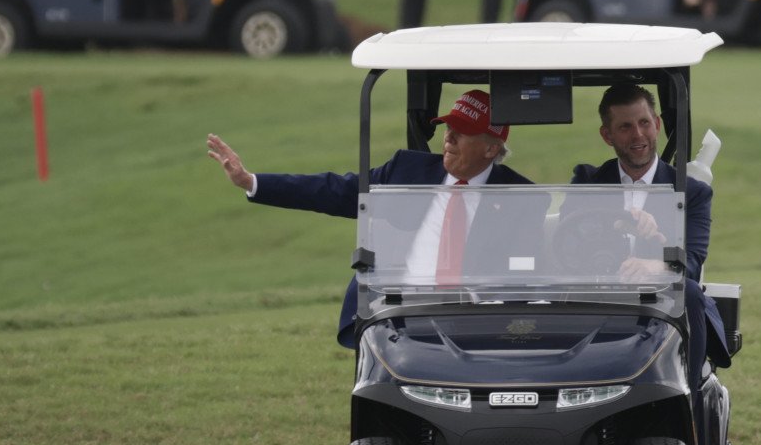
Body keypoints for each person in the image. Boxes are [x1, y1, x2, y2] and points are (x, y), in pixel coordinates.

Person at [207, 89, 545, 349]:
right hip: (397, 317)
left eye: (462, 132)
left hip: (473, 323)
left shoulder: (520, 198)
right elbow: (336, 191)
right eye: (448, 128)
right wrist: (252, 182)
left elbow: (526, 276)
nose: (449, 138)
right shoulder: (407, 169)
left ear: (490, 149)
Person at [568, 83, 732, 403]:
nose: (638, 135)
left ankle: (690, 396)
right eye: (625, 127)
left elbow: (692, 260)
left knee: (692, 292)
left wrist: (657, 261)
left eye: (644, 123)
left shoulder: (691, 191)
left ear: (656, 124)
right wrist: (616, 219)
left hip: (658, 300)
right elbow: (572, 237)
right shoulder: (588, 180)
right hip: (600, 292)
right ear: (608, 135)